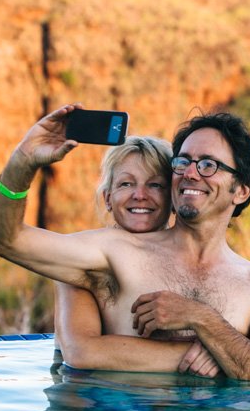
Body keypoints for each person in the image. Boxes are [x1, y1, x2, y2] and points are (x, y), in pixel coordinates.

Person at [0, 104, 250, 381]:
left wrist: (203, 320)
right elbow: (1, 239)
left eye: (208, 165)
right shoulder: (115, 251)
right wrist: (23, 163)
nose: (190, 173)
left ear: (242, 190)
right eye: (182, 162)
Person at [55, 135, 220, 378]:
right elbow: (81, 352)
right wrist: (212, 353)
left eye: (155, 185)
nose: (140, 195)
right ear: (108, 198)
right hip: (94, 403)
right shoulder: (85, 257)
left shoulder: (193, 261)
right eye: (126, 184)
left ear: (174, 198)